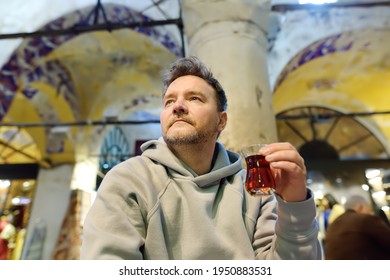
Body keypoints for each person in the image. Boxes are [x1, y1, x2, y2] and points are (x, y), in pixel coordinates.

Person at [80, 56, 321, 260]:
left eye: (194, 98)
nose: (178, 107)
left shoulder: (253, 190)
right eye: (169, 101)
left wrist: (295, 205)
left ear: (221, 121)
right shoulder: (128, 180)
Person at [325, 194, 390, 260]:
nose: (371, 213)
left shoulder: (333, 225)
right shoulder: (365, 219)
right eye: (369, 210)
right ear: (360, 207)